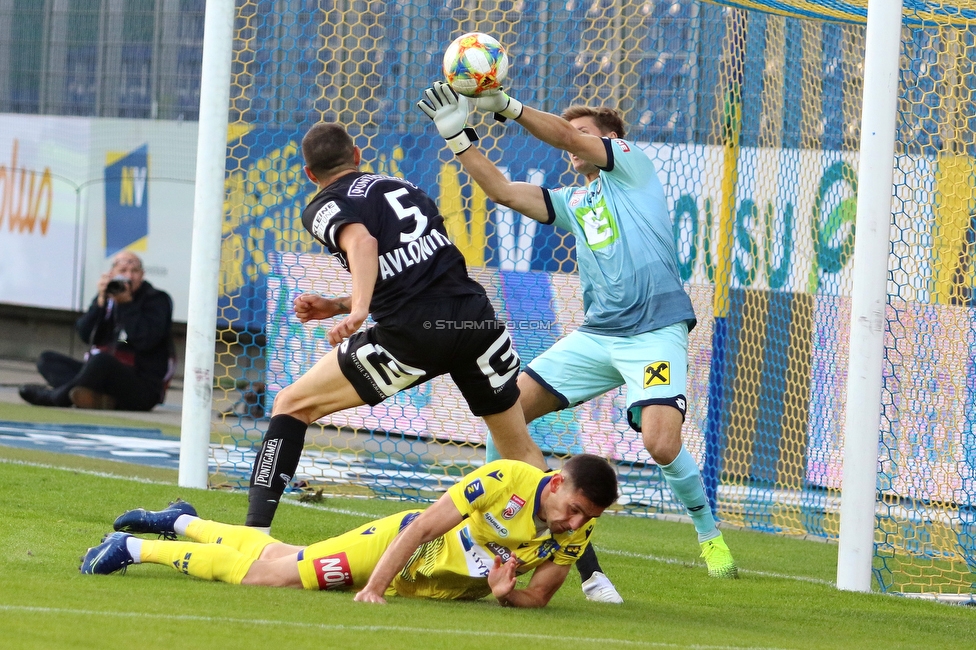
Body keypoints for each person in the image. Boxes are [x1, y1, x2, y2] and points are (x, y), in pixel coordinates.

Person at [417, 83, 739, 599]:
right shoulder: (571, 202)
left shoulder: (633, 169)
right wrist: (458, 137)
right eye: (574, 139)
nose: (573, 145)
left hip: (654, 332)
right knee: (506, 409)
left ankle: (709, 535)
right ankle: (500, 530)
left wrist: (509, 108)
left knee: (659, 443)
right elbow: (500, 189)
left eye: (586, 136)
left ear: (611, 141)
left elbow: (566, 131)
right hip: (597, 335)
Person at [244, 122, 546, 532]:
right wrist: (338, 304)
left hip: (414, 333)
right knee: (520, 452)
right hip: (476, 320)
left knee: (292, 405)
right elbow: (418, 269)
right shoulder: (404, 188)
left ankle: (255, 533)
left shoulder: (323, 204)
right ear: (356, 156)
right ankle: (582, 569)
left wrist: (358, 311)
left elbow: (364, 245)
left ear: (309, 174)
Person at [81, 455, 619, 607]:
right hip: (394, 549)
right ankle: (132, 547)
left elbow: (541, 596)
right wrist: (374, 586)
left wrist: (508, 597)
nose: (575, 524)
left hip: (431, 585)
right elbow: (423, 528)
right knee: (267, 579)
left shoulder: (572, 533)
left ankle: (181, 519)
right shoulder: (505, 480)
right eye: (574, 509)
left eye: (586, 518)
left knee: (285, 553)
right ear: (555, 483)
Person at [18, 251, 175, 411]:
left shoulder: (157, 299)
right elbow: (85, 334)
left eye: (134, 271)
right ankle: (100, 399)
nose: (128, 276)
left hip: (140, 384)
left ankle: (57, 397)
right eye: (122, 271)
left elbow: (145, 340)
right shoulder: (109, 299)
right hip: (102, 374)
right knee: (48, 360)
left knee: (101, 361)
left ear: (142, 275)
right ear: (111, 274)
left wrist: (127, 305)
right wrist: (100, 303)